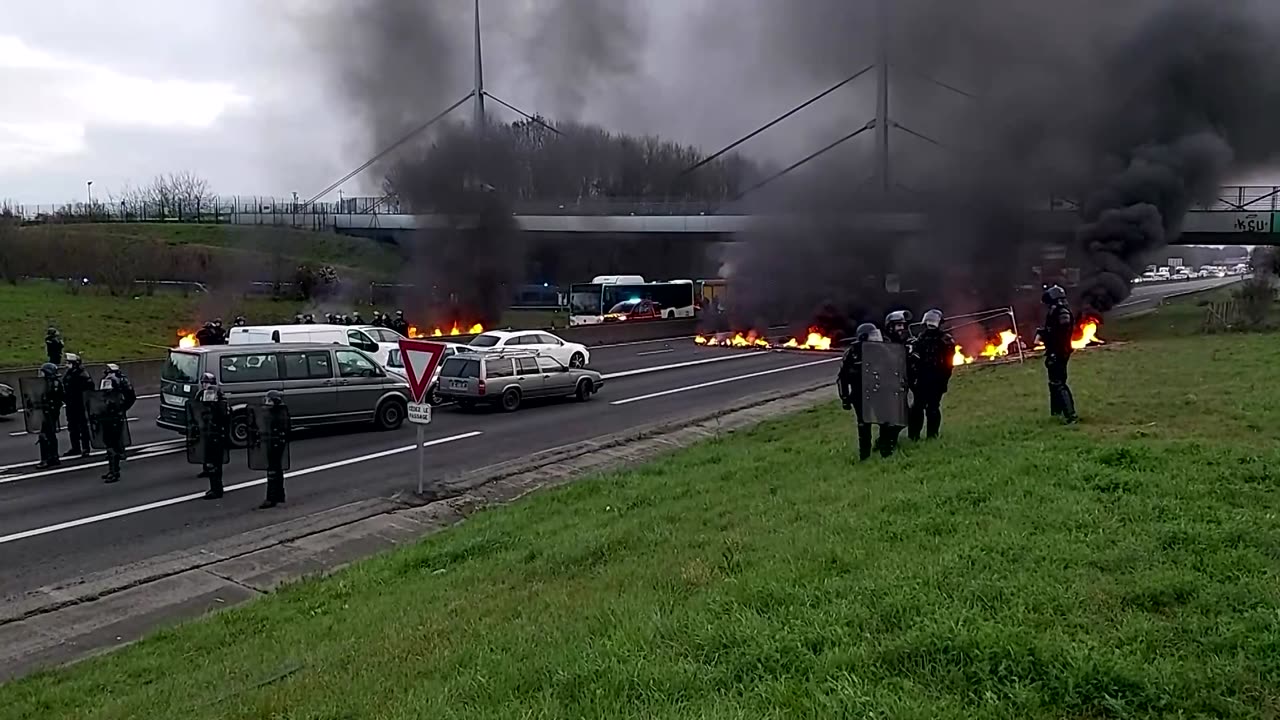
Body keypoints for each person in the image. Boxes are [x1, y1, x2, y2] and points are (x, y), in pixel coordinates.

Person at [838, 323, 905, 460]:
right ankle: (864, 456)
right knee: (863, 426)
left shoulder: (884, 351)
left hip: (880, 394)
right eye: (872, 336)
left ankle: (886, 452)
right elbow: (842, 378)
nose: (876, 338)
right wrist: (845, 398)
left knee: (886, 423)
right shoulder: (852, 354)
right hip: (859, 395)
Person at [907, 309, 955, 441]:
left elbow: (948, 364)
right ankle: (914, 436)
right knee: (917, 407)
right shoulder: (921, 338)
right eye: (929, 322)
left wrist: (943, 381)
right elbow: (914, 358)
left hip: (937, 379)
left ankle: (932, 436)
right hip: (921, 378)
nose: (930, 325)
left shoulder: (946, 340)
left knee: (933, 407)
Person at [1035, 285, 1078, 423]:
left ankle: (1070, 416)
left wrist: (1045, 338)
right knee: (1054, 383)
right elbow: (1052, 330)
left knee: (1059, 383)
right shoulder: (1057, 311)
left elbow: (1059, 334)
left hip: (1059, 351)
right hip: (1057, 350)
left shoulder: (1061, 313)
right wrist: (1042, 333)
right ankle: (1056, 413)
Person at [189, 372, 229, 499]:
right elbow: (195, 409)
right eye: (204, 383)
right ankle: (207, 470)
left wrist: (214, 405)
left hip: (216, 433)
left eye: (207, 383)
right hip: (205, 431)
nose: (205, 385)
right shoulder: (200, 395)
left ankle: (217, 489)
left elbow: (223, 415)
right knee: (207, 456)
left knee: (215, 462)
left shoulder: (220, 397)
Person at [253, 390, 291, 509]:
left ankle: (271, 498)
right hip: (274, 443)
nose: (266, 403)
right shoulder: (276, 412)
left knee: (273, 470)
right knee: (277, 469)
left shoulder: (277, 414)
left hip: (275, 443)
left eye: (269, 400)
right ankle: (279, 494)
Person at [98, 364, 135, 483]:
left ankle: (114, 472)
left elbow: (104, 398)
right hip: (115, 415)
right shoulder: (123, 381)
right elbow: (131, 397)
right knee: (113, 443)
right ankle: (112, 470)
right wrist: (123, 408)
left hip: (111, 416)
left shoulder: (111, 381)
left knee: (111, 444)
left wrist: (121, 408)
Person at [62, 353, 94, 457]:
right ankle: (75, 448)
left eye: (69, 363)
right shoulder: (69, 373)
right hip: (70, 404)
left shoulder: (82, 375)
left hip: (80, 404)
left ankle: (85, 448)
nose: (67, 365)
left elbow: (89, 389)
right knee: (72, 427)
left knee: (83, 427)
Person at [34, 363, 64, 469]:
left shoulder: (50, 384)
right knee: (51, 435)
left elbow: (49, 398)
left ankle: (46, 460)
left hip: (49, 412)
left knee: (44, 435)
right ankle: (54, 457)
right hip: (51, 412)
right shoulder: (53, 382)